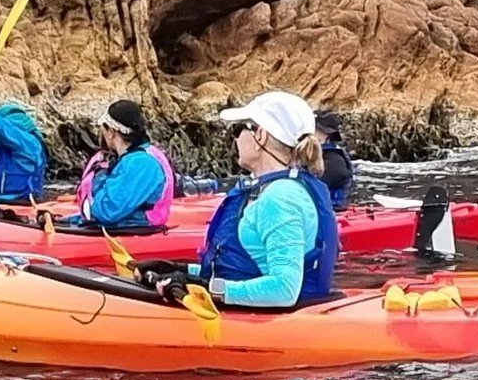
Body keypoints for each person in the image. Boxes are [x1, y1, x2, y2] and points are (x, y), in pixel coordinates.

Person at [161, 91, 339, 310]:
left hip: (272, 325)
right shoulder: (276, 190)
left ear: (260, 136)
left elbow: (285, 289)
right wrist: (180, 270)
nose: (236, 138)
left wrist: (208, 289)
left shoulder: (280, 199)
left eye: (239, 129)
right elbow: (246, 266)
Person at [74, 99, 177, 231]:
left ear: (111, 132)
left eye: (104, 129)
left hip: (137, 228)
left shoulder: (141, 163)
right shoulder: (135, 158)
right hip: (126, 224)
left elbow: (107, 211)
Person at [315, 110, 355, 208]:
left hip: (332, 210)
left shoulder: (334, 160)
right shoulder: (318, 154)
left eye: (316, 129)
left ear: (326, 135)